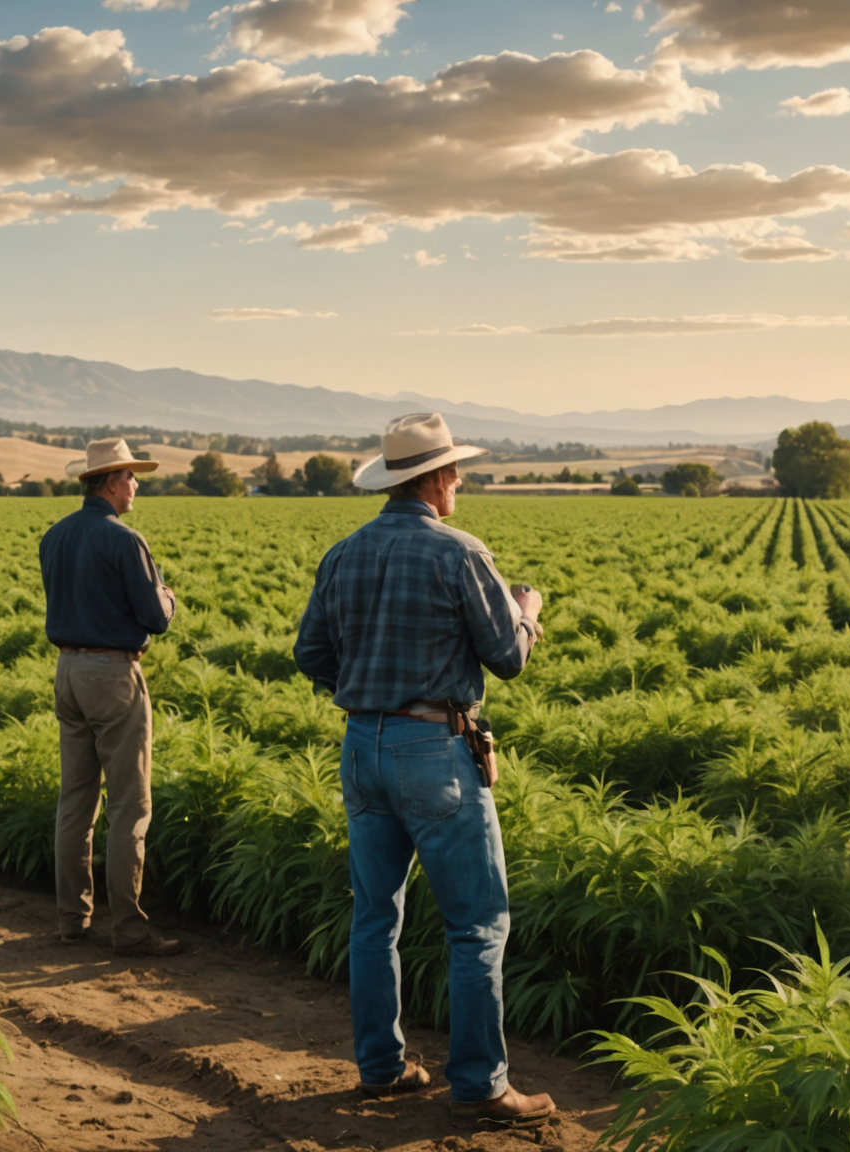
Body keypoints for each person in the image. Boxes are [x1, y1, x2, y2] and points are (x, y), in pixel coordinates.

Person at [294, 413, 553, 1129]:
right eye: (455, 471)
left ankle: (380, 1067)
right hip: (434, 750)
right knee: (476, 926)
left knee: (375, 916)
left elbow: (309, 654)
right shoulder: (460, 552)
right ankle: (480, 1084)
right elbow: (507, 657)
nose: (460, 481)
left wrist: (367, 689)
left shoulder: (343, 553)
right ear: (434, 478)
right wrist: (527, 613)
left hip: (361, 746)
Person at [39, 437, 182, 957]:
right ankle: (130, 928)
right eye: (131, 476)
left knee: (75, 799)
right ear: (111, 481)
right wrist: (168, 594)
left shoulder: (53, 537)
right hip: (112, 674)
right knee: (129, 804)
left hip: (67, 672)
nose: (136, 484)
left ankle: (72, 919)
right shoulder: (126, 540)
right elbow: (155, 618)